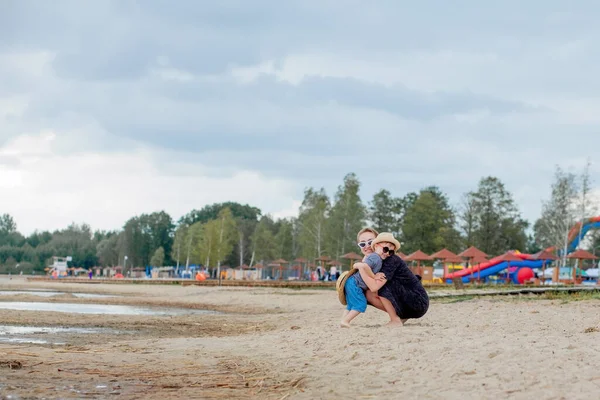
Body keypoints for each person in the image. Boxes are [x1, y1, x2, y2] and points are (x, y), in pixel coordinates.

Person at [354, 232, 429, 326]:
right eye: (385, 249)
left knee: (380, 285)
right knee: (368, 294)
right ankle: (400, 316)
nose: (387, 254)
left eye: (391, 252)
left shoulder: (392, 260)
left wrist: (362, 268)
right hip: (409, 302)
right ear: (376, 246)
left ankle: (395, 319)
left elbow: (374, 287)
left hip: (418, 301)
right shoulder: (378, 262)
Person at [339, 233, 387, 327]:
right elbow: (364, 266)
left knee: (350, 305)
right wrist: (374, 276)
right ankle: (345, 321)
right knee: (360, 304)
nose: (386, 252)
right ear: (376, 245)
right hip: (355, 283)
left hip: (351, 282)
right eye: (384, 249)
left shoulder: (373, 257)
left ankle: (343, 320)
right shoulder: (375, 257)